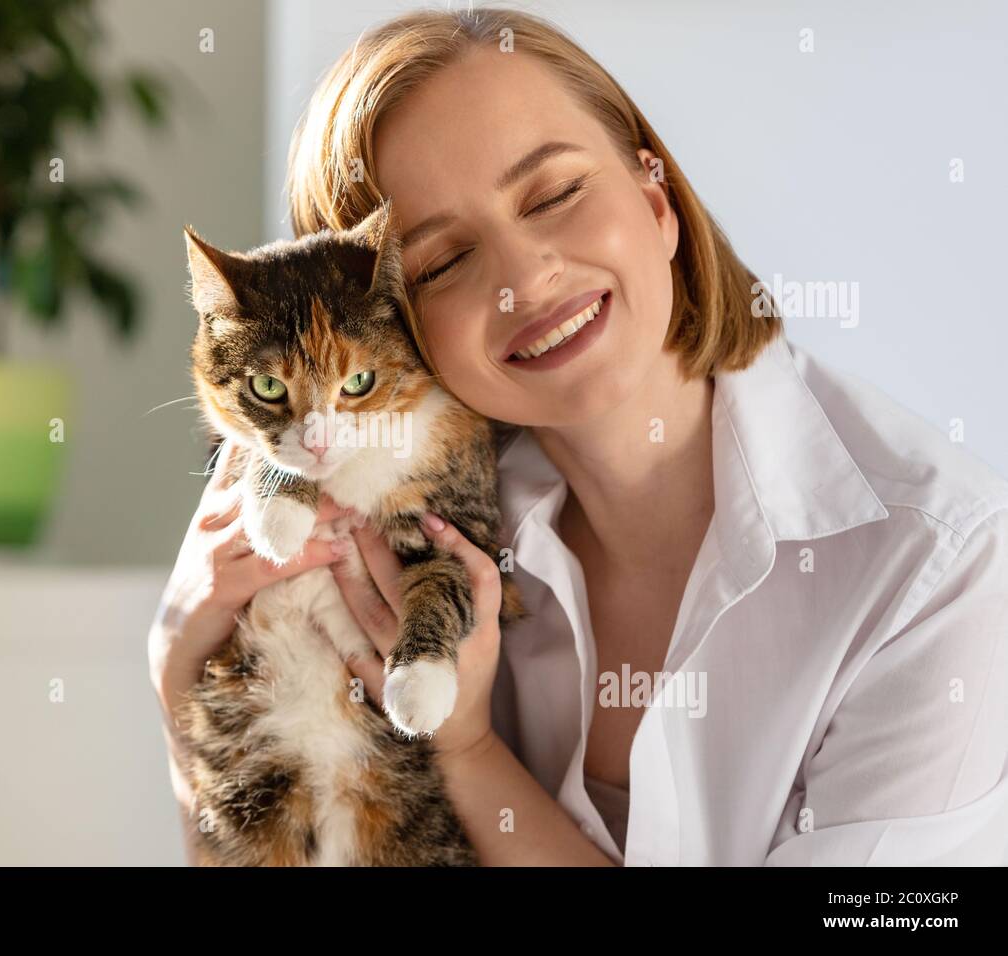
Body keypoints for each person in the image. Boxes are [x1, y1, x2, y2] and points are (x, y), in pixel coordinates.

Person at [148, 7, 1008, 865]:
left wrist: (470, 751)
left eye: (556, 195)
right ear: (384, 332)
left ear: (655, 194)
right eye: (443, 262)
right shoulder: (385, 530)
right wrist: (177, 678)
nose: (527, 280)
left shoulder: (947, 568)